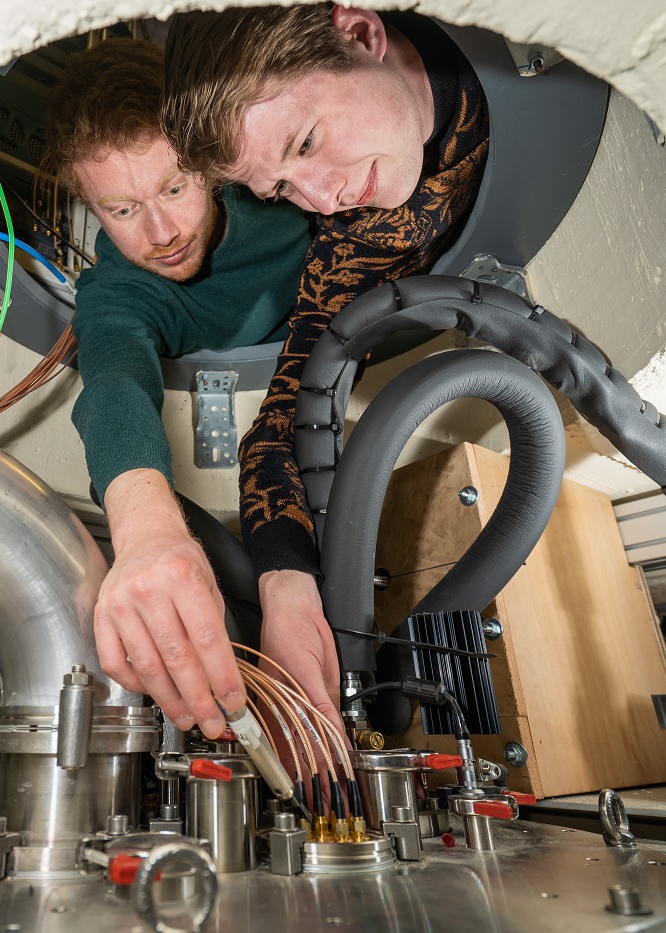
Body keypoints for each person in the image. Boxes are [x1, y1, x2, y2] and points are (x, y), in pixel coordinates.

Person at [162, 4, 490, 725]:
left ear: (362, 34)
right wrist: (285, 585)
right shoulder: (349, 247)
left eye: (306, 141)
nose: (322, 200)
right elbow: (284, 419)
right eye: (280, 189)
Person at [45, 38, 312, 738]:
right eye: (123, 210)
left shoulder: (287, 193)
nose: (162, 233)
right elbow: (113, 384)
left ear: (207, 161)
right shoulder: (118, 293)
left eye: (173, 187)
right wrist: (147, 533)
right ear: (90, 209)